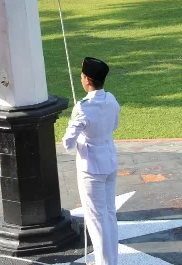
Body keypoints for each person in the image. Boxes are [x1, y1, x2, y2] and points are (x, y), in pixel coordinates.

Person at [62, 58, 120, 265]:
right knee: (109, 215)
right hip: (109, 161)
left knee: (96, 220)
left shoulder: (83, 107)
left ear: (87, 79)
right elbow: (114, 125)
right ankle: (112, 260)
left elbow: (67, 142)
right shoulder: (111, 99)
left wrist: (81, 138)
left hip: (91, 168)